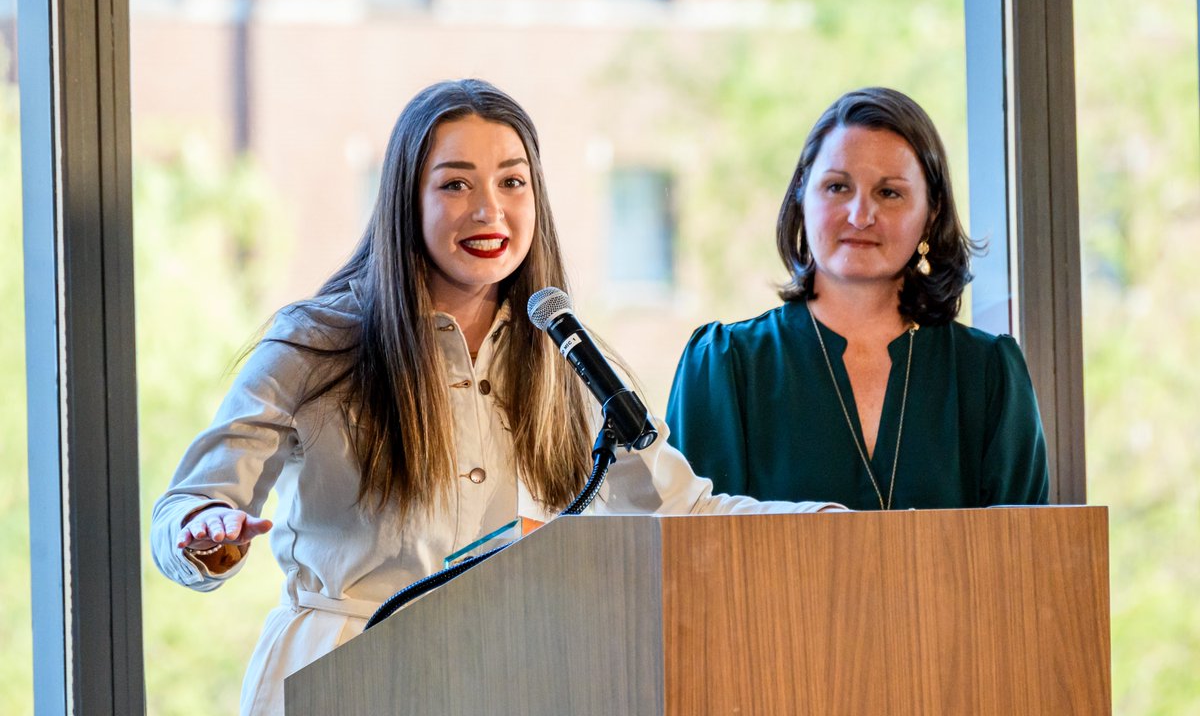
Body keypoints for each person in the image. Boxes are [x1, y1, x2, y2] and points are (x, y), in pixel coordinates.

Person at [150, 79, 842, 716]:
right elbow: (192, 504)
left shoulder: (570, 351)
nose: (490, 209)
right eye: (455, 184)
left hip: (504, 678)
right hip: (339, 673)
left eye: (513, 182)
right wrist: (204, 534)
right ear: (406, 200)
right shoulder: (317, 341)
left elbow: (680, 507)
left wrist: (836, 528)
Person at [666, 87, 1050, 511]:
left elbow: (1025, 564)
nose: (860, 216)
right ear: (801, 196)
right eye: (837, 187)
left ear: (932, 212)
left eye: (889, 193)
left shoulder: (988, 375)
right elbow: (693, 560)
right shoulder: (725, 368)